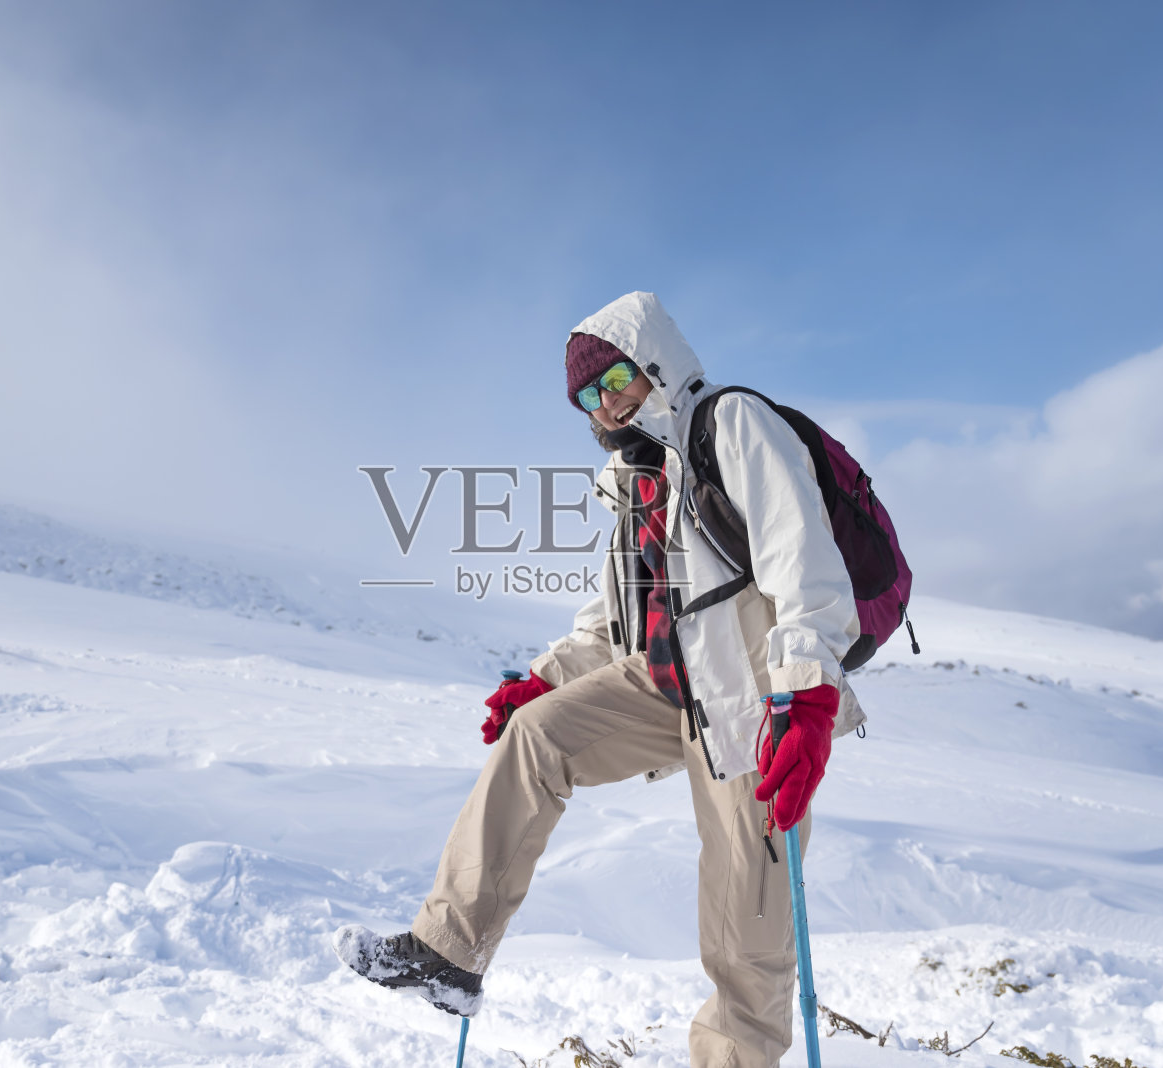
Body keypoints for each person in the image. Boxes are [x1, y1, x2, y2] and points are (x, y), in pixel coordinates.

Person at [334, 291, 865, 1068]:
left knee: (742, 918)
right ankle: (447, 951)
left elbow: (804, 567)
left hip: (754, 701)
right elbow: (614, 622)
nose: (605, 402)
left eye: (615, 379)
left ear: (654, 364)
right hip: (664, 689)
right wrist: (546, 681)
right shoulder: (634, 482)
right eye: (587, 394)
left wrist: (808, 693)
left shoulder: (733, 425)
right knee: (535, 738)